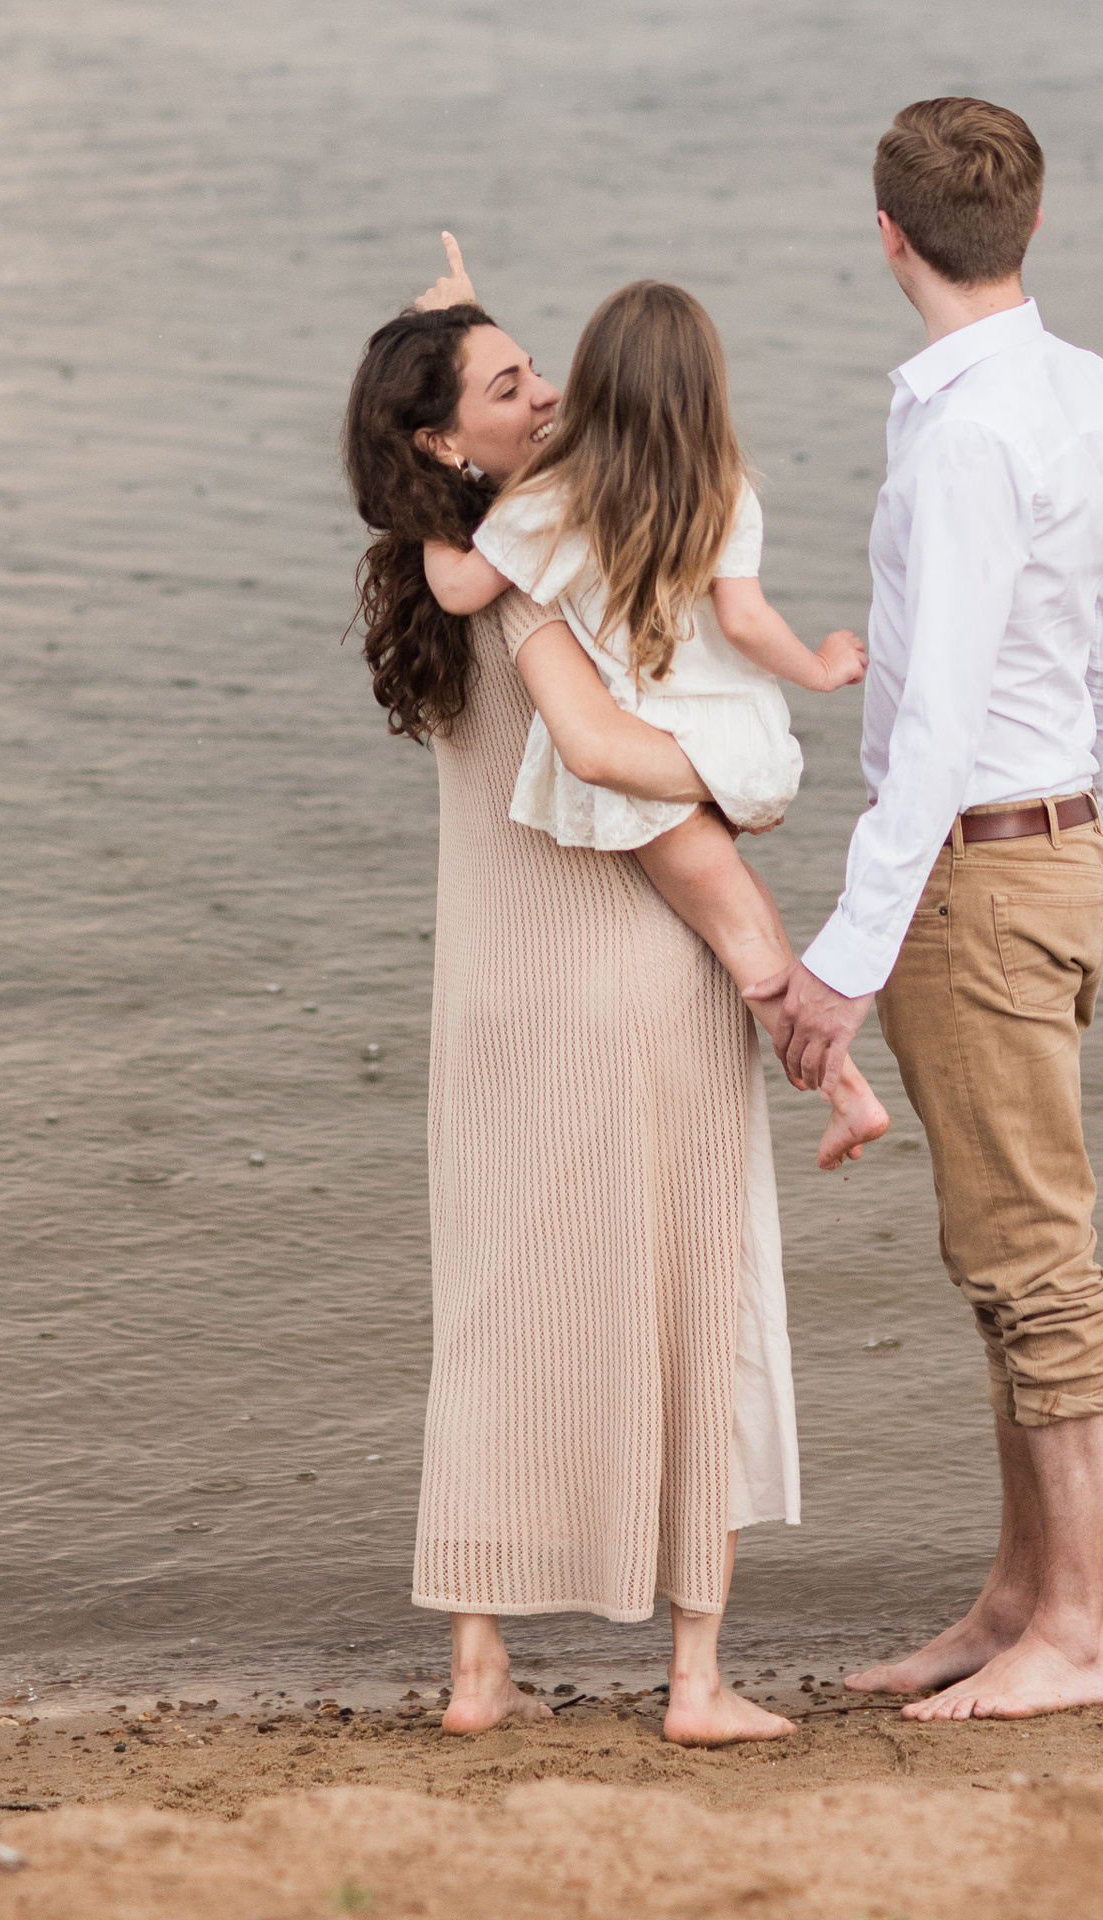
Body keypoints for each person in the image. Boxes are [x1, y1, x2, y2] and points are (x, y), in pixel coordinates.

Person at [343, 252, 800, 1749]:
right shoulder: (549, 580)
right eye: (509, 388)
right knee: (689, 1301)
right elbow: (604, 750)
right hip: (624, 982)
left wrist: (458, 313)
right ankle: (695, 1680)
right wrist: (754, 770)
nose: (548, 398)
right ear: (439, 444)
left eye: (544, 370)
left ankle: (480, 1667)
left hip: (487, 998)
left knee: (490, 1312)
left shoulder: (430, 586)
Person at [750, 97, 1103, 1725]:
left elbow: (932, 731)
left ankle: (1079, 1631)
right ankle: (1019, 1597)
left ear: (887, 238)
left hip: (980, 869)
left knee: (1035, 1258)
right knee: (1000, 1247)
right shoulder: (1083, 392)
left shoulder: (971, 433)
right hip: (1046, 852)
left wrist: (841, 960)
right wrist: (1085, 833)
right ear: (1033, 226)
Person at [420, 278, 890, 1170]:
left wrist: (421, 508)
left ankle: (846, 1091)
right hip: (740, 733)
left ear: (590, 387)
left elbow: (457, 589)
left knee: (732, 925)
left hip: (649, 743)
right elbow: (748, 624)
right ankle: (850, 1087)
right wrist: (823, 670)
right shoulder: (725, 488)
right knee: (744, 901)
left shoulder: (555, 496)